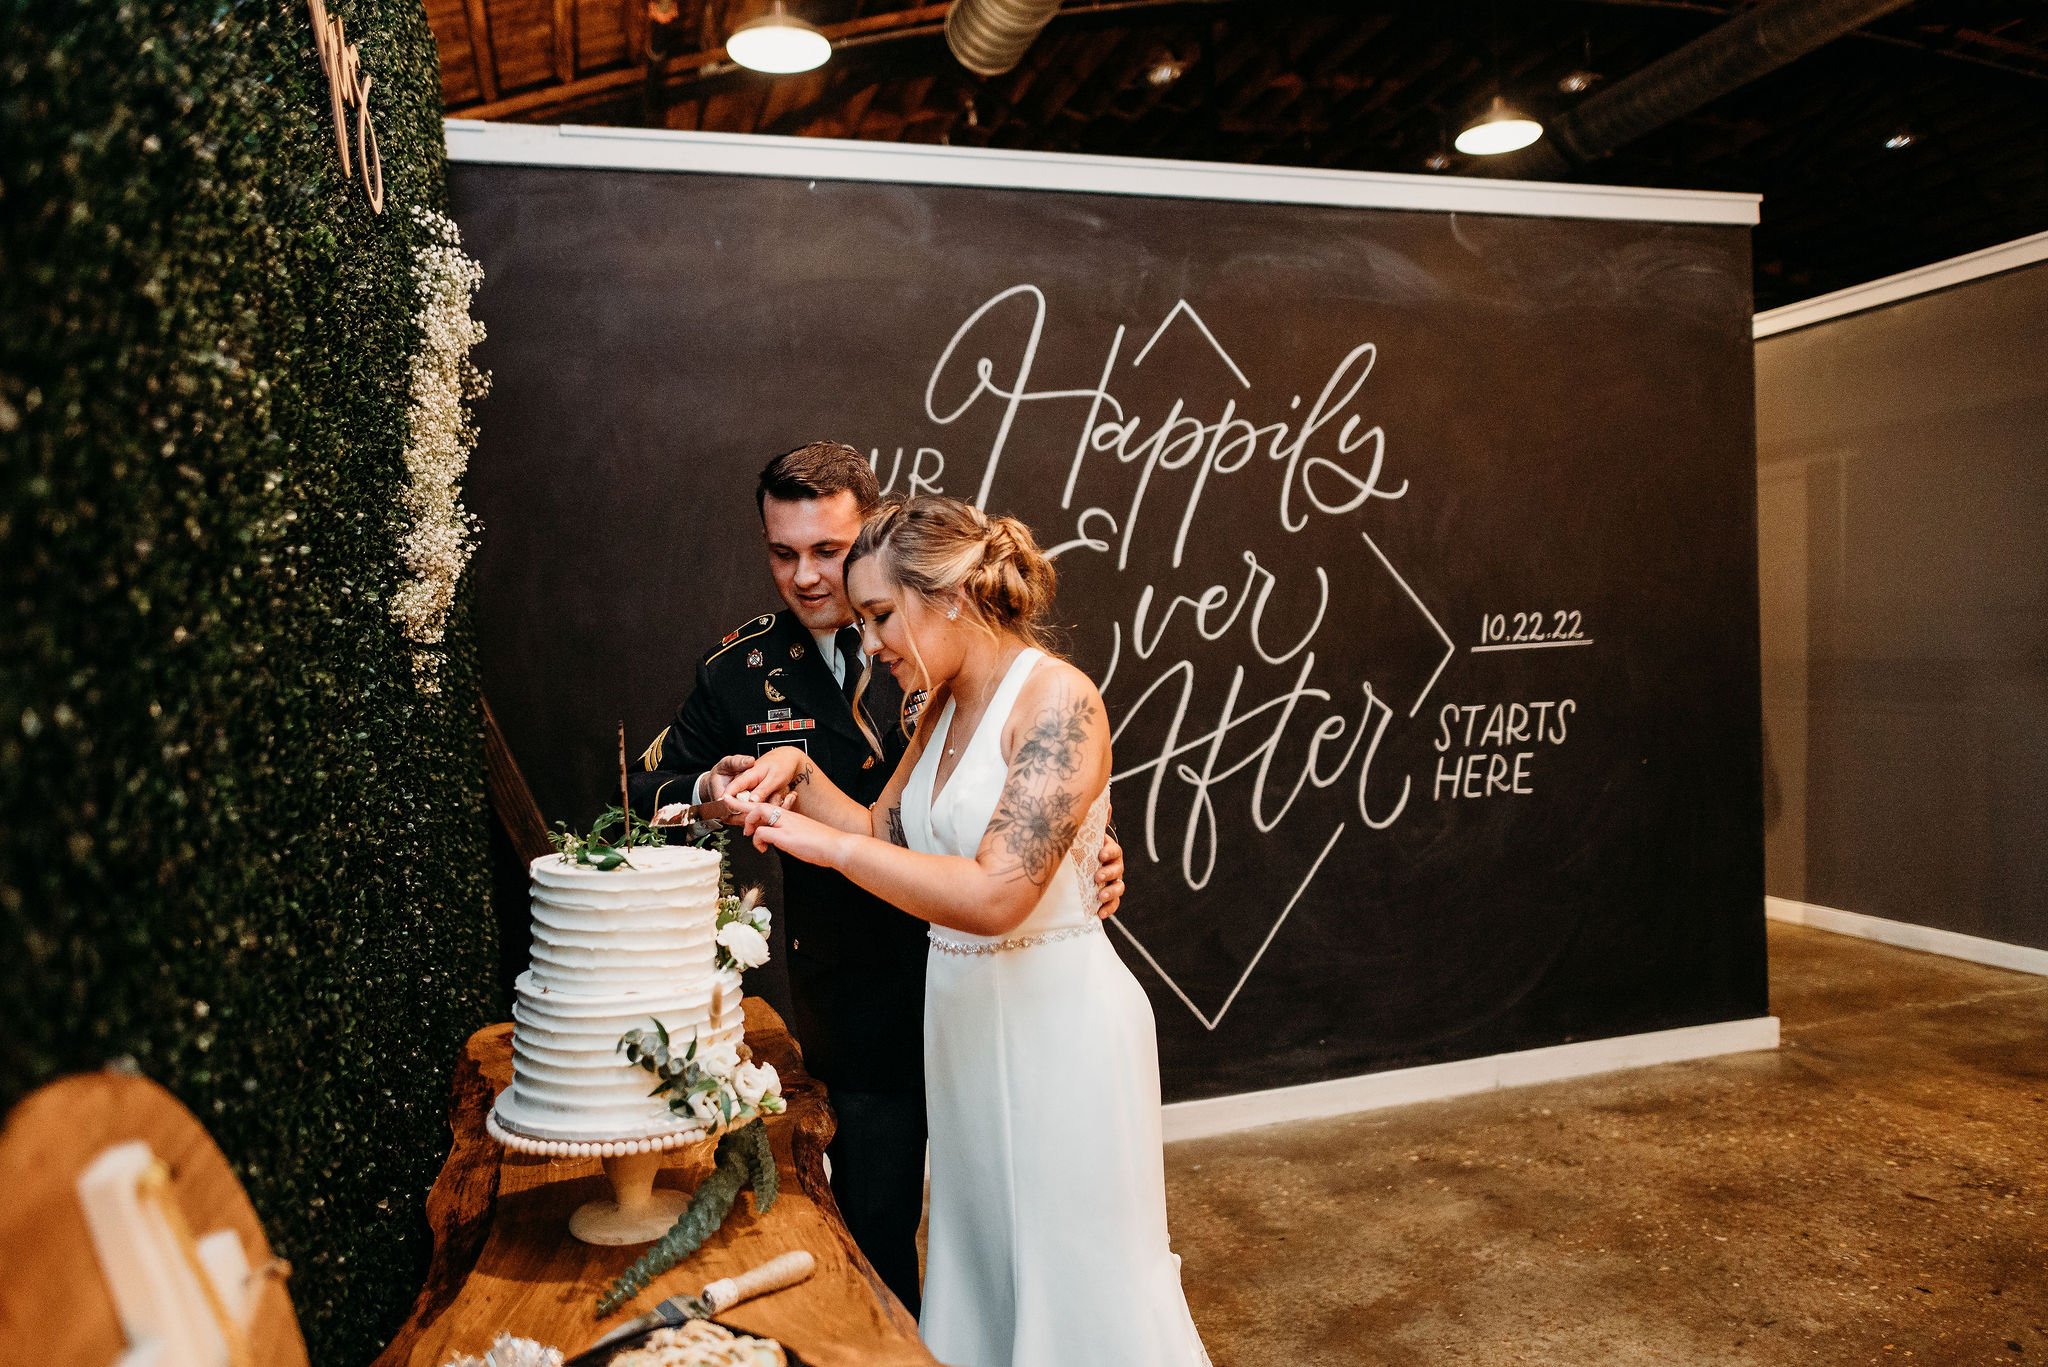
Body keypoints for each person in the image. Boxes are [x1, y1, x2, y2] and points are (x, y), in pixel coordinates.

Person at [627, 443, 1127, 1315]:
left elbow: (1003, 856)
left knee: (1058, 1255)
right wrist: (768, 778)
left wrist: (1076, 857)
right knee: (916, 1234)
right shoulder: (750, 669)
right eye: (784, 553)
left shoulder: (1017, 684)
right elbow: (865, 820)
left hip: (1013, 993)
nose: (812, 579)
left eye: (834, 556)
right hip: (873, 995)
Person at [726, 495, 1210, 1367]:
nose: (870, 643)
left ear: (947, 595)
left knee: (1076, 1276)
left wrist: (827, 849)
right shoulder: (941, 705)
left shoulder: (1060, 703)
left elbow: (995, 894)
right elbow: (887, 834)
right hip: (963, 1029)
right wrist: (800, 774)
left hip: (1058, 1032)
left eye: (880, 615)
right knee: (986, 1265)